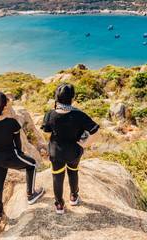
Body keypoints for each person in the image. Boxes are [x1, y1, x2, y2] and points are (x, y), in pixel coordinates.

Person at [0, 92, 45, 221]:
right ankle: (31, 194)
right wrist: (20, 155)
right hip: (11, 157)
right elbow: (18, 143)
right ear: (5, 107)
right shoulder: (12, 123)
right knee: (32, 164)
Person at [41, 83, 99, 214]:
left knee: (57, 176)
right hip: (74, 152)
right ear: (72, 98)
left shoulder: (50, 114)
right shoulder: (79, 115)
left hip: (56, 152)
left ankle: (59, 205)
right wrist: (84, 144)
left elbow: (46, 131)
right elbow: (96, 132)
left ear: (56, 98)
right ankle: (73, 196)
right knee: (73, 172)